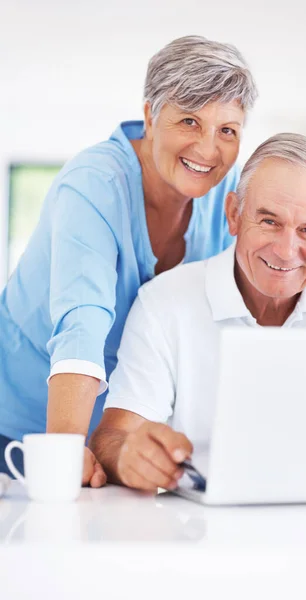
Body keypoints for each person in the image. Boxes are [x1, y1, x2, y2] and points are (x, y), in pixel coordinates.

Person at [0, 35, 257, 484]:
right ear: (150, 117)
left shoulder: (228, 197)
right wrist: (63, 451)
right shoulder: (94, 184)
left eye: (227, 130)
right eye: (189, 121)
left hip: (110, 435)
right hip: (22, 424)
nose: (207, 149)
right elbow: (83, 323)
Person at [90, 132, 306, 492]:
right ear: (234, 214)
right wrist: (129, 454)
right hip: (203, 533)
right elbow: (114, 435)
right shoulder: (165, 303)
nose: (286, 251)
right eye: (269, 222)